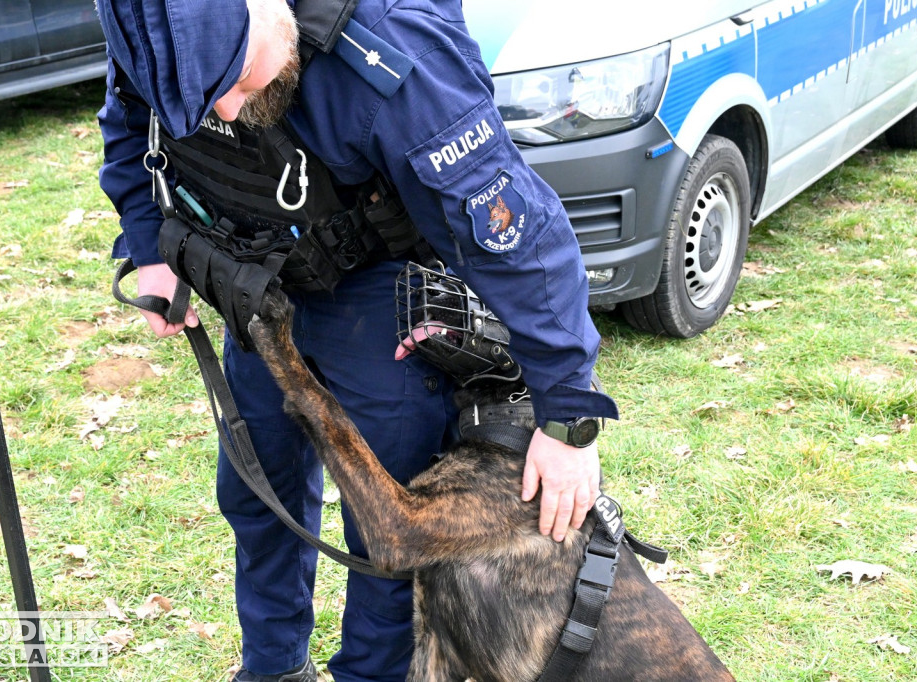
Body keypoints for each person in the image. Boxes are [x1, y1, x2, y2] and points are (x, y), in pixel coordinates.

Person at [94, 1, 618, 680]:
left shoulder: (393, 53)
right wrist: (151, 246)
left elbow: (518, 238)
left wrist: (570, 414)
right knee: (260, 498)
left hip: (377, 295)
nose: (224, 111)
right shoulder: (150, 20)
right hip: (253, 282)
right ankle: (273, 668)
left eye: (240, 80)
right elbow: (131, 118)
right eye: (202, 99)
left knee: (384, 543)